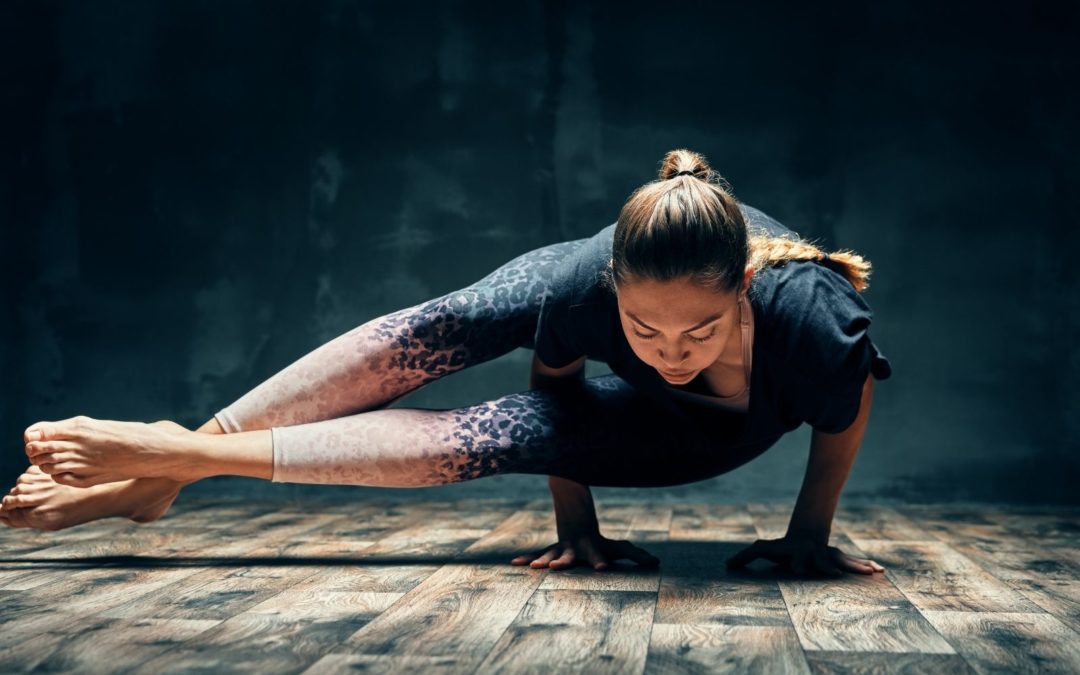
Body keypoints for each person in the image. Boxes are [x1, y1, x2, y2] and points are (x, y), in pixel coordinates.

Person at [2, 149, 891, 577]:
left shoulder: (812, 316)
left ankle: (179, 458)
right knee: (454, 320)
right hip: (575, 293)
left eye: (694, 335)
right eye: (644, 332)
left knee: (486, 434)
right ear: (616, 285)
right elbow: (556, 398)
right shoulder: (587, 283)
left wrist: (808, 536)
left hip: (702, 438)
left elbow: (842, 414)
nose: (667, 355)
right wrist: (576, 525)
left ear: (739, 286)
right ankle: (182, 460)